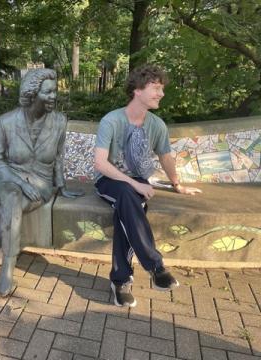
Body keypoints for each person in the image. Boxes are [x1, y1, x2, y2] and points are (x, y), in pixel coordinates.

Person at [94, 64, 202, 307]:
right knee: (126, 194)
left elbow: (165, 157)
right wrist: (135, 184)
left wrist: (177, 184)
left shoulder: (157, 125)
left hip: (137, 184)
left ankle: (121, 281)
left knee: (128, 208)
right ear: (137, 90)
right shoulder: (111, 120)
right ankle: (155, 267)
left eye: (161, 88)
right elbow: (100, 163)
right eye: (156, 88)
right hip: (108, 181)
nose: (161, 93)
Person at [0, 68, 83, 297]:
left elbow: (59, 157)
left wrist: (61, 186)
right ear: (32, 93)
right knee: (11, 199)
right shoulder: (7, 122)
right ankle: (8, 270)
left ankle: (3, 256)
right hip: (9, 179)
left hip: (41, 184)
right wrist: (21, 184)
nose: (54, 97)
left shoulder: (60, 121)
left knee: (9, 210)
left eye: (55, 92)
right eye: (48, 92)